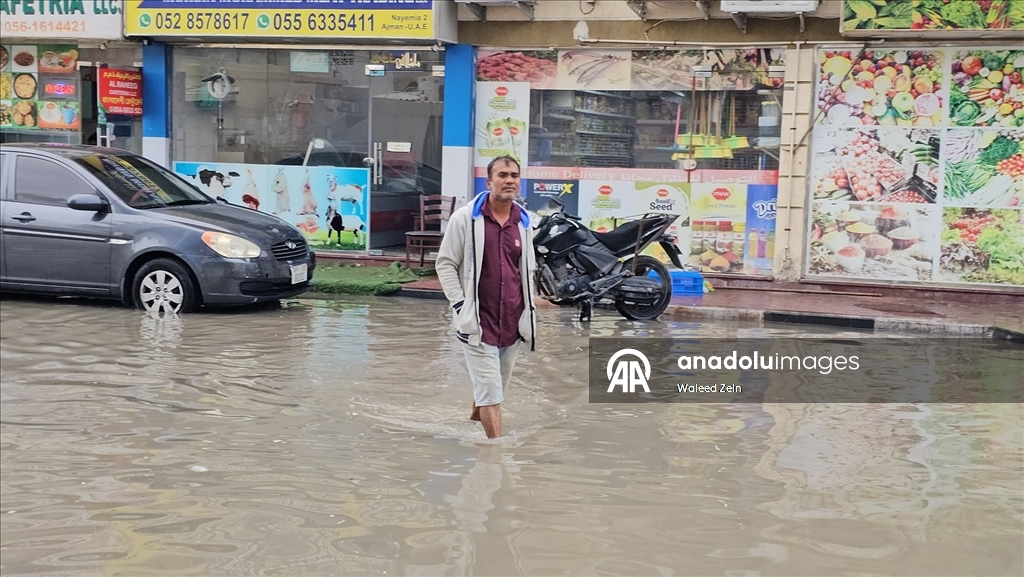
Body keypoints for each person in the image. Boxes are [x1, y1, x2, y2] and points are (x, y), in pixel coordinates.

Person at [435, 155, 537, 439]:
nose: (509, 180)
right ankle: (496, 455)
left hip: (513, 323)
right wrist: (459, 304)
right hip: (478, 322)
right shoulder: (466, 219)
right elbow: (444, 264)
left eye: (514, 175)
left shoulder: (525, 223)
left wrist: (530, 308)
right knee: (492, 395)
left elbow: (525, 270)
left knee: (493, 387)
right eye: (502, 175)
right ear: (489, 181)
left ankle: (468, 427)